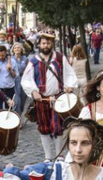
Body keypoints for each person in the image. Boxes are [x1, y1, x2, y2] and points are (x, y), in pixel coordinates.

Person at [21, 31, 78, 161]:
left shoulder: (59, 58)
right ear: (39, 44)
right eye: (43, 43)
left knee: (58, 128)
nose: (46, 45)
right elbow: (26, 79)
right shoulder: (34, 61)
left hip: (58, 98)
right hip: (42, 100)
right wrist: (33, 91)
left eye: (48, 43)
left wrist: (70, 85)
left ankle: (59, 155)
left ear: (52, 44)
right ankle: (48, 156)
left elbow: (69, 73)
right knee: (44, 127)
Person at [0, 44, 18, 110]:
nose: (1, 57)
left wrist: (10, 70)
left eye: (3, 55)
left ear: (6, 53)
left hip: (9, 89)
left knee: (9, 109)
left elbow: (16, 76)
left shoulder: (12, 61)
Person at [11, 42, 30, 115]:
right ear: (13, 50)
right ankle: (16, 117)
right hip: (14, 80)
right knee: (16, 99)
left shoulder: (25, 58)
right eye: (15, 48)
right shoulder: (11, 59)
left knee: (23, 99)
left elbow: (29, 69)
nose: (17, 49)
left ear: (21, 49)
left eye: (18, 47)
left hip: (23, 79)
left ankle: (20, 114)